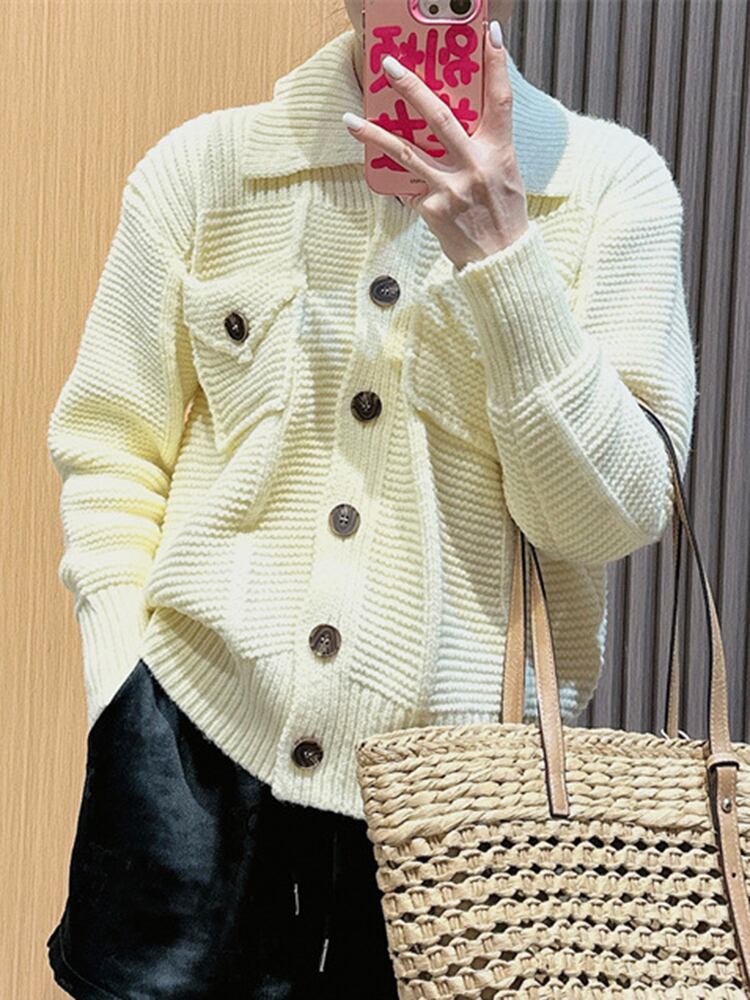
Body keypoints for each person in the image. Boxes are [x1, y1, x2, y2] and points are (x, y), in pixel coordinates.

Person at [45, 1, 697, 997]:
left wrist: (505, 258)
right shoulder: (208, 169)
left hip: (464, 824)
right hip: (190, 762)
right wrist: (122, 694)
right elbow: (110, 445)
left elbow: (612, 517)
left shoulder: (612, 189)